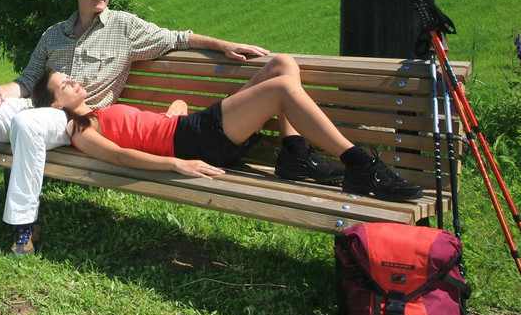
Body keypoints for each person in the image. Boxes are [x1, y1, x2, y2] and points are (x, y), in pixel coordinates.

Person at [0, 0, 287, 256]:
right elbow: (27, 79)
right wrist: (0, 91)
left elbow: (177, 37)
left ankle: (24, 224)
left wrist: (223, 45)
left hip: (78, 119)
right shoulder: (53, 34)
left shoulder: (124, 27)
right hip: (41, 104)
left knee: (28, 125)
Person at [31, 68, 424, 202]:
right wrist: (176, 163)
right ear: (55, 103)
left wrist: (172, 111)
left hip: (192, 128)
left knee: (282, 64)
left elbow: (154, 122)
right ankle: (361, 165)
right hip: (195, 142)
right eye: (65, 84)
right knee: (281, 88)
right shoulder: (80, 128)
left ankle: (294, 155)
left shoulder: (99, 111)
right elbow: (119, 156)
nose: (74, 81)